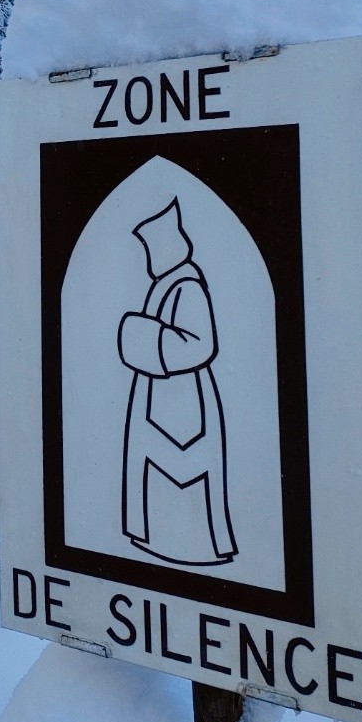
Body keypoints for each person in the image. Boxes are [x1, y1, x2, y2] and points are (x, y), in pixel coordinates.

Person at [117, 199, 237, 566]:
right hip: (158, 396)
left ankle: (194, 547)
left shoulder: (187, 285)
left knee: (184, 470)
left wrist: (139, 336)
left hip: (181, 402)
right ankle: (157, 539)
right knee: (155, 468)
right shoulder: (166, 283)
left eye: (150, 247)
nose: (148, 255)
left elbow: (201, 343)